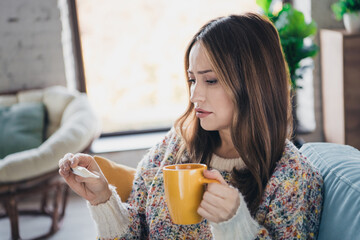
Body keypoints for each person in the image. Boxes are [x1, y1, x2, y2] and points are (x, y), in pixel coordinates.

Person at [59, 13, 323, 239]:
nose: (194, 95)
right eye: (191, 79)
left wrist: (236, 224)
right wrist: (103, 199)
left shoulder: (292, 177)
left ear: (255, 84)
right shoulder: (175, 146)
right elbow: (135, 231)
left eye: (210, 81)